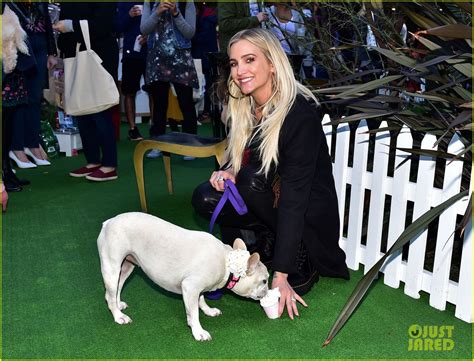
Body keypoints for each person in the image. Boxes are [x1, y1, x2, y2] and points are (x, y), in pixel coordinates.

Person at [192, 28, 349, 319]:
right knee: (204, 196)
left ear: (272, 63)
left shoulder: (298, 115)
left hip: (305, 215)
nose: (240, 71)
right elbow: (241, 159)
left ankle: (298, 252)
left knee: (251, 179)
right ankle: (259, 240)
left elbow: (294, 198)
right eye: (235, 63)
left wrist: (281, 273)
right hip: (267, 200)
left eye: (249, 60)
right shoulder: (245, 106)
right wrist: (226, 171)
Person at [54, 3, 119, 182]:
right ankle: (93, 161)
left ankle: (109, 164)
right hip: (75, 55)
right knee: (81, 110)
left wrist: (70, 25)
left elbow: (103, 25)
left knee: (100, 110)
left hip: (99, 55)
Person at [140, 0, 198, 160]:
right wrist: (157, 12)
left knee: (186, 102)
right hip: (157, 59)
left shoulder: (187, 3)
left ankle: (190, 145)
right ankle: (157, 143)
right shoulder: (149, 2)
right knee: (159, 104)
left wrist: (176, 13)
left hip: (181, 60)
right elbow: (144, 29)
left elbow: (190, 33)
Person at [7, 1, 57, 169]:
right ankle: (16, 147)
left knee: (35, 99)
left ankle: (32, 144)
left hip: (40, 45)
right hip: (17, 44)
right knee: (18, 100)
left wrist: (52, 51)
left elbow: (47, 20)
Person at [116, 2, 147, 141]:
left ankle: (155, 127)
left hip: (151, 51)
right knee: (129, 91)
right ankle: (133, 128)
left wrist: (149, 36)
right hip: (130, 52)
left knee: (154, 90)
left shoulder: (150, 2)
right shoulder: (122, 3)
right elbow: (117, 27)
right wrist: (129, 15)